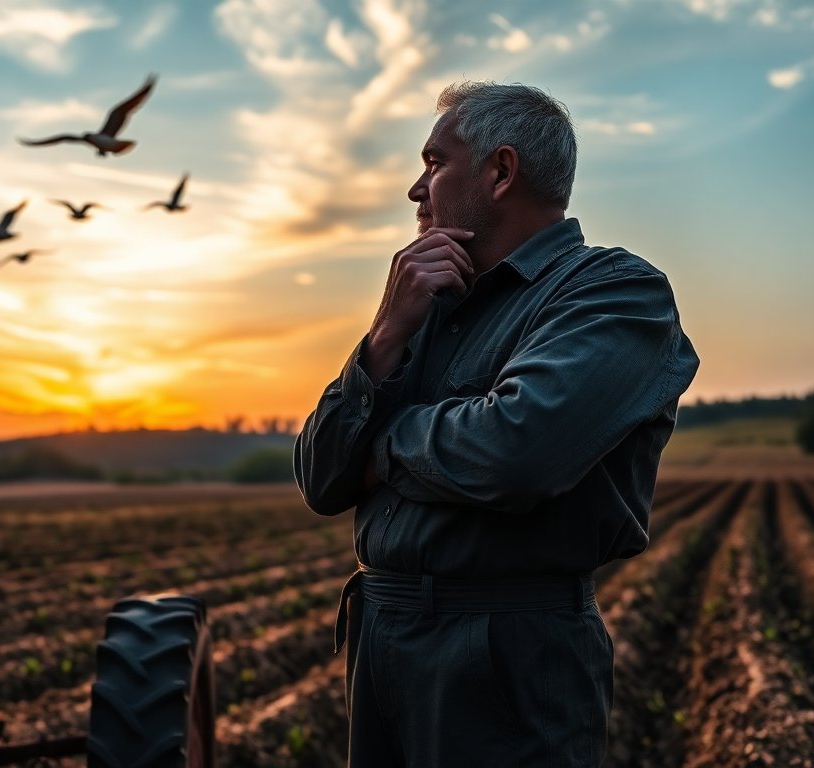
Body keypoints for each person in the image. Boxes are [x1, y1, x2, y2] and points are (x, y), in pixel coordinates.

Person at [293, 81, 699, 767]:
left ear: (501, 171)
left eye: (434, 163)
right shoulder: (422, 304)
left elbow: (516, 451)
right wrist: (384, 335)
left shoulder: (611, 292)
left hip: (506, 656)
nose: (417, 192)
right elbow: (322, 477)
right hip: (381, 642)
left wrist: (383, 446)